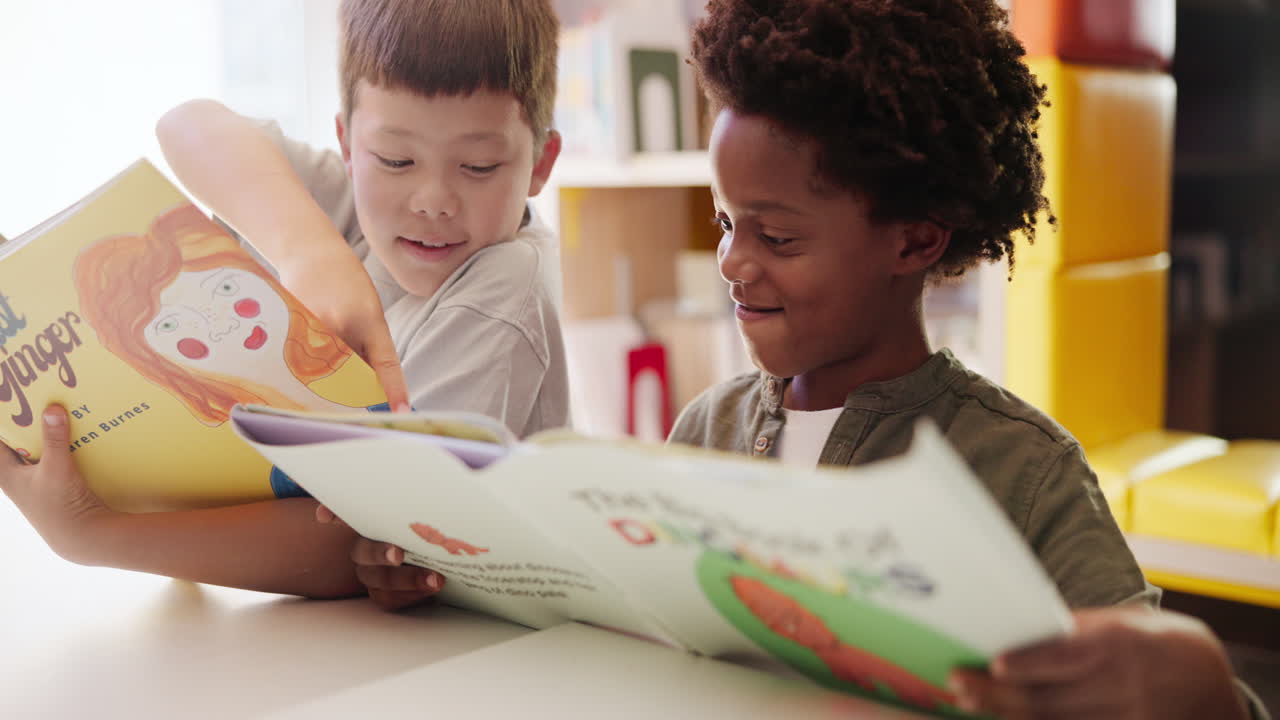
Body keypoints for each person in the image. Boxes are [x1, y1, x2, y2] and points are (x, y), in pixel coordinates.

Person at [340, 0, 1267, 716]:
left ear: (914, 239)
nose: (734, 263)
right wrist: (441, 570)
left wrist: (1199, 685)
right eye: (728, 223)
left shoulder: (1023, 472)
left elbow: (1161, 685)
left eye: (777, 237)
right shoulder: (708, 426)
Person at [0, 0, 568, 605]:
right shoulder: (349, 206)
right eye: (396, 160)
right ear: (347, 144)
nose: (432, 199)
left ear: (541, 162)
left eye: (479, 166)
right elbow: (187, 124)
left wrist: (93, 535)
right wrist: (308, 252)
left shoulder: (504, 282)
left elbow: (351, 544)